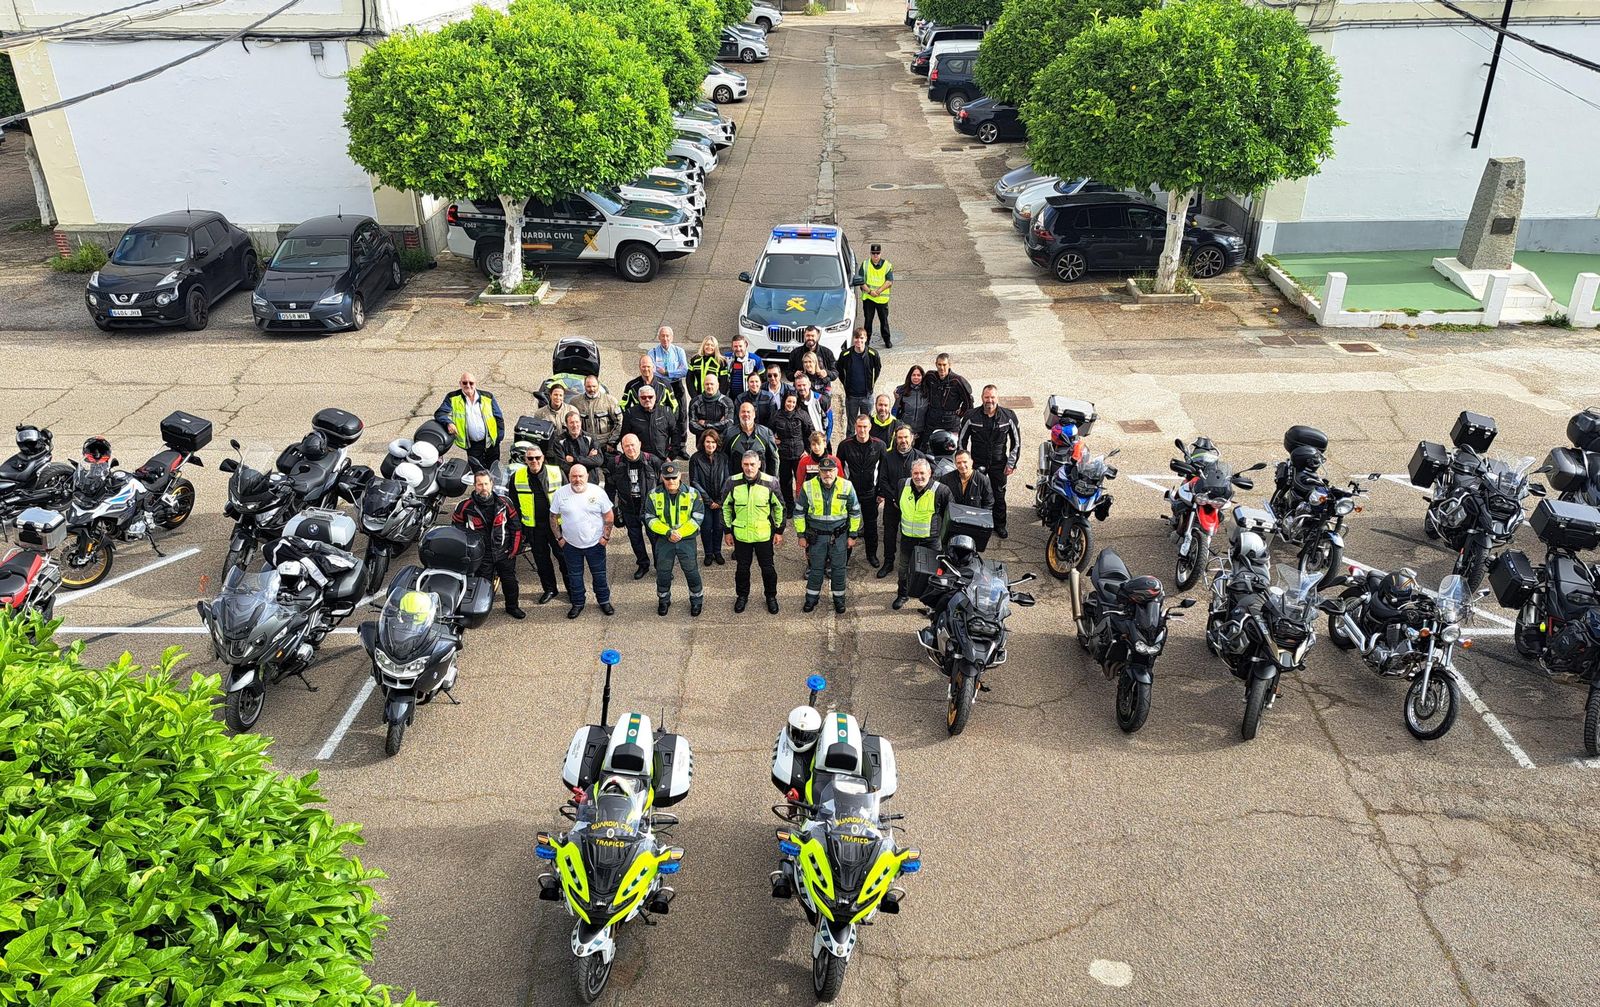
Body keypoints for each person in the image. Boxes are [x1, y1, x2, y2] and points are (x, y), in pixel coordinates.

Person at [793, 457, 861, 614]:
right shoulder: (808, 486)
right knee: (816, 569)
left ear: (836, 471)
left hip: (840, 537)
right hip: (816, 537)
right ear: (819, 472)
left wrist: (853, 535)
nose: (827, 474)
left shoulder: (846, 486)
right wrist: (801, 535)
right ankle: (811, 599)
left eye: (830, 470)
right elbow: (799, 513)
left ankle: (839, 600)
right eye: (824, 471)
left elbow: (855, 512)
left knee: (838, 570)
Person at [452, 469, 523, 619]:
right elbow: (456, 531)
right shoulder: (464, 506)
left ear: (492, 484)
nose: (483, 488)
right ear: (474, 486)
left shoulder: (505, 502)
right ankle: (481, 609)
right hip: (481, 554)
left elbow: (516, 527)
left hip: (504, 552)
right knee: (481, 584)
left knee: (510, 582)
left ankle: (512, 607)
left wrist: (514, 549)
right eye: (479, 484)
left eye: (486, 484)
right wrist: (468, 552)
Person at [723, 451, 785, 614]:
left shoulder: (770, 482)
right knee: (742, 569)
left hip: (763, 535)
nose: (749, 468)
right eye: (746, 464)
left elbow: (780, 507)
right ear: (741, 465)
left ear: (759, 464)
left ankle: (771, 597)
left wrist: (779, 530)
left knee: (768, 569)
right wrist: (727, 531)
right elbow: (726, 507)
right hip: (741, 535)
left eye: (752, 464)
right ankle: (742, 596)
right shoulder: (732, 482)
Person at [550, 463, 615, 619]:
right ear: (569, 477)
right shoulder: (560, 494)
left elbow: (609, 516)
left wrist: (605, 537)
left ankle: (604, 600)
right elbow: (553, 517)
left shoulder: (598, 492)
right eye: (574, 476)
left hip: (595, 544)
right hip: (571, 545)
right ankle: (578, 603)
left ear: (587, 477)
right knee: (575, 577)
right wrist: (559, 538)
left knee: (599, 575)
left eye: (580, 476)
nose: (577, 479)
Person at [509, 440, 570, 604]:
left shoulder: (556, 472)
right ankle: (550, 589)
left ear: (543, 458)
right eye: (530, 458)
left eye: (537, 457)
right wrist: (521, 529)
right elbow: (513, 504)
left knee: (564, 559)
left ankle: (572, 590)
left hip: (557, 526)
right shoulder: (517, 477)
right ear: (525, 460)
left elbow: (568, 498)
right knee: (542, 562)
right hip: (534, 528)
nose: (534, 461)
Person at [958, 384, 1021, 539]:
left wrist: (1011, 464)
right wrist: (965, 464)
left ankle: (999, 525)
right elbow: (961, 442)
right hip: (977, 462)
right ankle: (975, 524)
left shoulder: (1009, 416)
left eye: (992, 397)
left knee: (999, 495)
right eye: (987, 397)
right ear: (982, 398)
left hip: (999, 464)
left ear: (997, 398)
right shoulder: (971, 416)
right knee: (974, 494)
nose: (990, 400)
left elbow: (1017, 442)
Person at [645, 463, 706, 617]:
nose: (671, 481)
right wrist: (668, 532)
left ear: (680, 476)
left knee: (691, 571)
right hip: (664, 540)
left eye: (674, 477)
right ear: (662, 477)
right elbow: (650, 518)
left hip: (686, 540)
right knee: (663, 572)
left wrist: (679, 533)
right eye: (667, 478)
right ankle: (664, 600)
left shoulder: (693, 493)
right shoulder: (653, 495)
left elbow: (697, 517)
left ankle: (696, 600)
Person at [893, 458, 951, 609]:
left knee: (931, 573)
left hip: (929, 540)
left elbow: (949, 516)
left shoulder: (941, 490)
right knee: (903, 570)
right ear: (911, 473)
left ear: (930, 473)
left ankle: (930, 603)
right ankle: (902, 595)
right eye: (915, 473)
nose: (919, 477)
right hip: (907, 537)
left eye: (922, 473)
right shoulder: (902, 484)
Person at [604, 434, 661, 579]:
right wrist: (610, 508)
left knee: (655, 538)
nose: (630, 449)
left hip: (650, 508)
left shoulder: (652, 461)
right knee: (635, 539)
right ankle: (643, 565)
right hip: (628, 508)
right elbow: (610, 488)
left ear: (640, 444)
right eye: (626, 446)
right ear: (622, 447)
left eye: (633, 445)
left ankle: (660, 566)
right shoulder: (615, 464)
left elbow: (662, 486)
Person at [875, 424, 926, 579]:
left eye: (906, 437)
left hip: (914, 506)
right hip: (893, 503)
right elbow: (882, 480)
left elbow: (924, 481)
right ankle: (888, 562)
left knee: (910, 535)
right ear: (895, 439)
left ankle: (911, 564)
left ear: (912, 438)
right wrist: (895, 499)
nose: (903, 440)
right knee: (889, 534)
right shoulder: (888, 456)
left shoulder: (919, 457)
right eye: (900, 437)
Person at [837, 414, 885, 568]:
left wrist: (880, 492)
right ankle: (845, 557)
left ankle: (871, 555)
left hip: (871, 493)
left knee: (871, 527)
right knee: (849, 525)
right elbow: (839, 469)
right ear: (855, 427)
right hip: (852, 493)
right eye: (859, 426)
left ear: (870, 427)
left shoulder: (879, 445)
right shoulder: (845, 445)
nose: (862, 430)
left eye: (865, 426)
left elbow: (884, 470)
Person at [434, 372, 504, 468]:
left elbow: (498, 417)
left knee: (494, 470)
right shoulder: (452, 397)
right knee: (478, 473)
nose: (468, 385)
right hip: (472, 445)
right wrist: (448, 423)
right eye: (465, 383)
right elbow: (440, 413)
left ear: (475, 383)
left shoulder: (487, 396)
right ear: (460, 383)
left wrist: (499, 438)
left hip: (491, 443)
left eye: (471, 383)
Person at [940, 449, 995, 551]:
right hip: (953, 525)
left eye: (965, 462)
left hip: (973, 525)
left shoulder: (983, 480)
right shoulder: (946, 480)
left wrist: (981, 522)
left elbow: (989, 503)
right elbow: (941, 502)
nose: (962, 465)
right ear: (955, 464)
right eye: (958, 462)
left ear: (971, 462)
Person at [690, 429, 731, 566]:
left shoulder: (723, 457)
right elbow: (694, 481)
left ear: (717, 443)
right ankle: (708, 554)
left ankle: (717, 552)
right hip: (704, 501)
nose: (710, 445)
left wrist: (719, 500)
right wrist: (708, 501)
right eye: (708, 442)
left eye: (713, 442)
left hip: (720, 500)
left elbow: (727, 479)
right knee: (706, 527)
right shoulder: (695, 458)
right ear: (703, 442)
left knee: (719, 527)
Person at [771, 390, 814, 514]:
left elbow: (810, 433)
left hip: (799, 454)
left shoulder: (802, 414)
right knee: (785, 481)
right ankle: (789, 506)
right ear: (784, 401)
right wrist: (773, 439)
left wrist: (807, 450)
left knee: (801, 480)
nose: (791, 404)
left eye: (794, 402)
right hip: (783, 453)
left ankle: (803, 505)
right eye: (789, 401)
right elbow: (768, 431)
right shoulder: (777, 415)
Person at [649, 326, 691, 450]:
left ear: (672, 337)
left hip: (676, 385)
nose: (665, 339)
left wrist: (667, 372)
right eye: (663, 336)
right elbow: (653, 371)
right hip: (661, 386)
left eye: (668, 336)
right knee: (663, 416)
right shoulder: (653, 352)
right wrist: (672, 371)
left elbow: (684, 371)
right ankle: (666, 446)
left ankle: (681, 447)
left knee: (681, 416)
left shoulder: (679, 351)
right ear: (659, 337)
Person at [836, 327, 882, 426]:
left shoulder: (873, 354)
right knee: (851, 426)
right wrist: (846, 385)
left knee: (867, 425)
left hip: (867, 397)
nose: (859, 341)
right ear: (853, 339)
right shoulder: (845, 355)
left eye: (861, 338)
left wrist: (871, 385)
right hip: (852, 397)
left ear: (866, 338)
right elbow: (839, 370)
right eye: (856, 338)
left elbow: (877, 370)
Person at [620, 384, 677, 461]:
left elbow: (676, 434)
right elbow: (625, 437)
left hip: (663, 457)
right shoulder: (630, 413)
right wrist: (630, 456)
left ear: (655, 397)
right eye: (643, 397)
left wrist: (671, 455)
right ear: (639, 398)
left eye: (650, 397)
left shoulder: (666, 411)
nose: (647, 399)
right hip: (640, 459)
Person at [853, 242, 894, 347]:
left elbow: (889, 281)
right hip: (869, 299)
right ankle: (866, 342)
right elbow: (861, 282)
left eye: (877, 253)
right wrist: (870, 292)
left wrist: (878, 291)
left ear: (880, 254)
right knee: (868, 322)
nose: (875, 255)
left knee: (884, 322)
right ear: (870, 254)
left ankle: (887, 341)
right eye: (873, 253)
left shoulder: (887, 265)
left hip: (881, 300)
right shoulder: (865, 264)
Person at [923, 352, 973, 437]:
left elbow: (969, 401)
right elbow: (919, 386)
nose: (942, 368)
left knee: (951, 447)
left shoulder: (957, 381)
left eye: (944, 365)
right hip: (932, 419)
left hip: (951, 422)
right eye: (939, 364)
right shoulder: (930, 376)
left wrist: (960, 414)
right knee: (926, 447)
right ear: (935, 364)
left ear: (949, 365)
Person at [725, 401, 779, 478]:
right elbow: (723, 459)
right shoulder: (729, 433)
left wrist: (773, 480)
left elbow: (774, 458)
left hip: (760, 483)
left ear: (754, 415)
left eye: (748, 412)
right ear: (739, 414)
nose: (746, 414)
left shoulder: (765, 433)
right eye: (743, 412)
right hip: (737, 483)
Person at [575, 374, 623, 456]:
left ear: (599, 385)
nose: (592, 389)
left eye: (594, 386)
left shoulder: (610, 401)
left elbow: (619, 422)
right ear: (584, 386)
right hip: (586, 444)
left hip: (606, 445)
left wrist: (612, 443)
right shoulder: (576, 402)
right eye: (588, 386)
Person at [622, 354, 680, 421]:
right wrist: (630, 420)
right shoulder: (631, 386)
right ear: (639, 367)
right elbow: (623, 405)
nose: (646, 369)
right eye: (643, 367)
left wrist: (670, 422)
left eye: (648, 366)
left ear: (653, 367)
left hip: (660, 424)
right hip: (639, 424)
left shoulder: (665, 385)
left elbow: (674, 406)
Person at [794, 429, 841, 506]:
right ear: (810, 445)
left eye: (819, 444)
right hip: (811, 497)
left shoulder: (835, 461)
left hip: (830, 498)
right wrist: (800, 501)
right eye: (813, 444)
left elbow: (840, 482)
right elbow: (799, 483)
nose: (816, 447)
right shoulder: (804, 461)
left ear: (825, 444)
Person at [688, 373, 737, 446]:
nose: (709, 386)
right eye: (707, 384)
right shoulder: (695, 402)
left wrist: (705, 423)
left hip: (722, 443)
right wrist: (718, 424)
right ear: (703, 385)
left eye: (712, 384)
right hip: (701, 444)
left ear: (717, 385)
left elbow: (728, 424)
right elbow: (692, 426)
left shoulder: (727, 402)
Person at [552, 411, 603, 480]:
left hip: (590, 480)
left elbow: (598, 461)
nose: (575, 425)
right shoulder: (558, 441)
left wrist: (574, 459)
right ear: (566, 424)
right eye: (571, 422)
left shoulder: (591, 438)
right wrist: (587, 458)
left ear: (581, 422)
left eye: (577, 422)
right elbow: (562, 465)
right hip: (570, 481)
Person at [892, 365, 930, 446]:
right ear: (910, 376)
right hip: (905, 432)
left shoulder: (928, 391)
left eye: (919, 375)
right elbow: (894, 411)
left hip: (922, 432)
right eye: (913, 375)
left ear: (922, 377)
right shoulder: (901, 391)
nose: (916, 377)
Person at [688, 336, 731, 401]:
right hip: (698, 396)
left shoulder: (721, 361)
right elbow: (689, 379)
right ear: (703, 345)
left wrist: (719, 398)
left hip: (715, 397)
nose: (709, 347)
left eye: (712, 345)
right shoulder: (695, 359)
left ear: (716, 347)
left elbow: (724, 382)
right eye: (707, 344)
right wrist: (694, 397)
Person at [794, 373, 832, 444]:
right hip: (802, 442)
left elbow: (829, 423)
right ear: (795, 386)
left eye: (804, 385)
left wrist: (825, 441)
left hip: (820, 441)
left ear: (809, 384)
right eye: (799, 385)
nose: (802, 388)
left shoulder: (821, 400)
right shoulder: (794, 402)